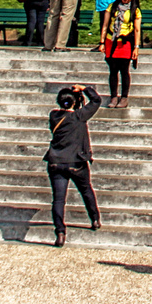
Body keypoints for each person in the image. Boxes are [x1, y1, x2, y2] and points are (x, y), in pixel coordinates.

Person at [44, 84, 103, 246]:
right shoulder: (79, 116)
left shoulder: (53, 116)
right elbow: (97, 100)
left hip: (56, 161)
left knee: (58, 199)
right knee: (86, 190)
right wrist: (84, 89)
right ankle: (95, 219)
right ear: (75, 102)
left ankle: (60, 232)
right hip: (76, 162)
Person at [100, 0, 142, 108]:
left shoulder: (135, 10)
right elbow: (105, 25)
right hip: (111, 41)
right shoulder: (112, 7)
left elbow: (137, 30)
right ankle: (113, 97)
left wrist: (136, 47)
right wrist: (102, 42)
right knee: (113, 70)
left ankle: (124, 97)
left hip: (125, 42)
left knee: (124, 70)